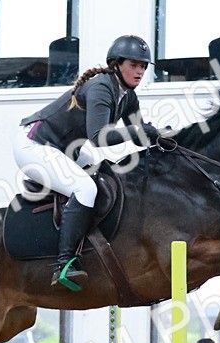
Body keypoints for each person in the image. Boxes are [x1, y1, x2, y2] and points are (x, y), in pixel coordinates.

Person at [14, 34, 161, 292]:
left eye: (143, 67)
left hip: (65, 149)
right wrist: (141, 132)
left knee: (105, 173)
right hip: (34, 145)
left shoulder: (128, 97)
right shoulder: (101, 87)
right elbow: (99, 137)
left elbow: (138, 136)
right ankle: (64, 263)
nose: (139, 72)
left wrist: (162, 138)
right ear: (116, 64)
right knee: (85, 188)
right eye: (134, 65)